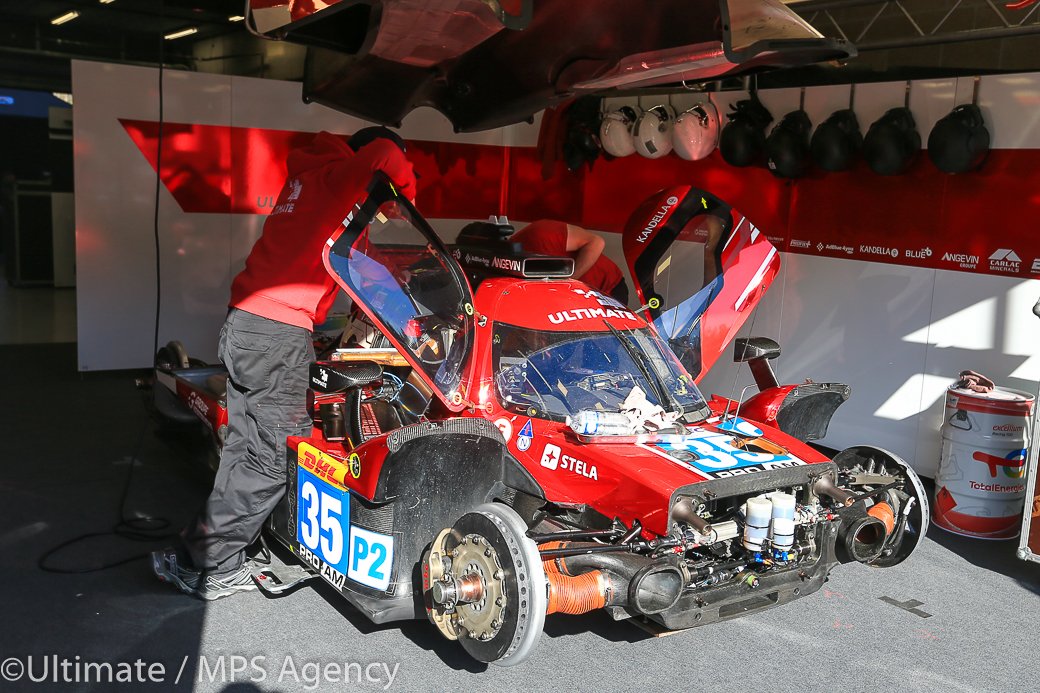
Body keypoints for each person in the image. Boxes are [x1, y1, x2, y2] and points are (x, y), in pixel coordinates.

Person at [153, 127, 417, 600]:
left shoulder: (316, 181)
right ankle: (206, 563)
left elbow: (357, 257)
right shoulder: (340, 177)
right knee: (275, 458)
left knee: (243, 448)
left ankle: (208, 556)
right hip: (276, 335)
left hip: (246, 326)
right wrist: (399, 195)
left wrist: (401, 291)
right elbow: (386, 154)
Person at [511, 219, 628, 306]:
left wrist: (570, 280)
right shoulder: (511, 270)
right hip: (578, 299)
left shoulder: (540, 234)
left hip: (608, 287)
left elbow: (596, 242)